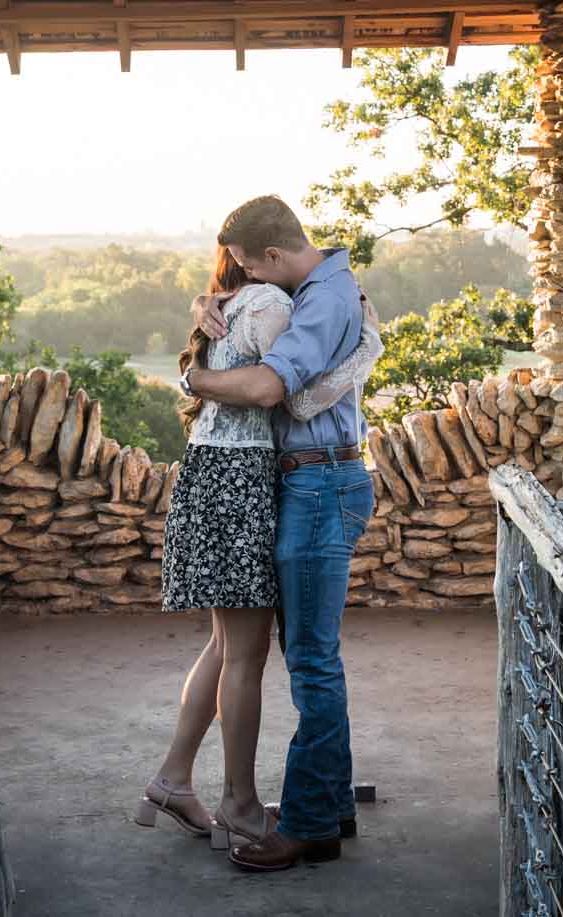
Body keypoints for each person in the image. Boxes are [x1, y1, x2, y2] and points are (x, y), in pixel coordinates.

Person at [136, 241, 380, 852]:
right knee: (245, 654)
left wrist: (193, 371)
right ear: (260, 257)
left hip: (209, 473)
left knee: (224, 646)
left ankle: (172, 779)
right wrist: (368, 350)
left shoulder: (229, 303)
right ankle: (239, 804)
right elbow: (287, 394)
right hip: (241, 478)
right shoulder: (271, 301)